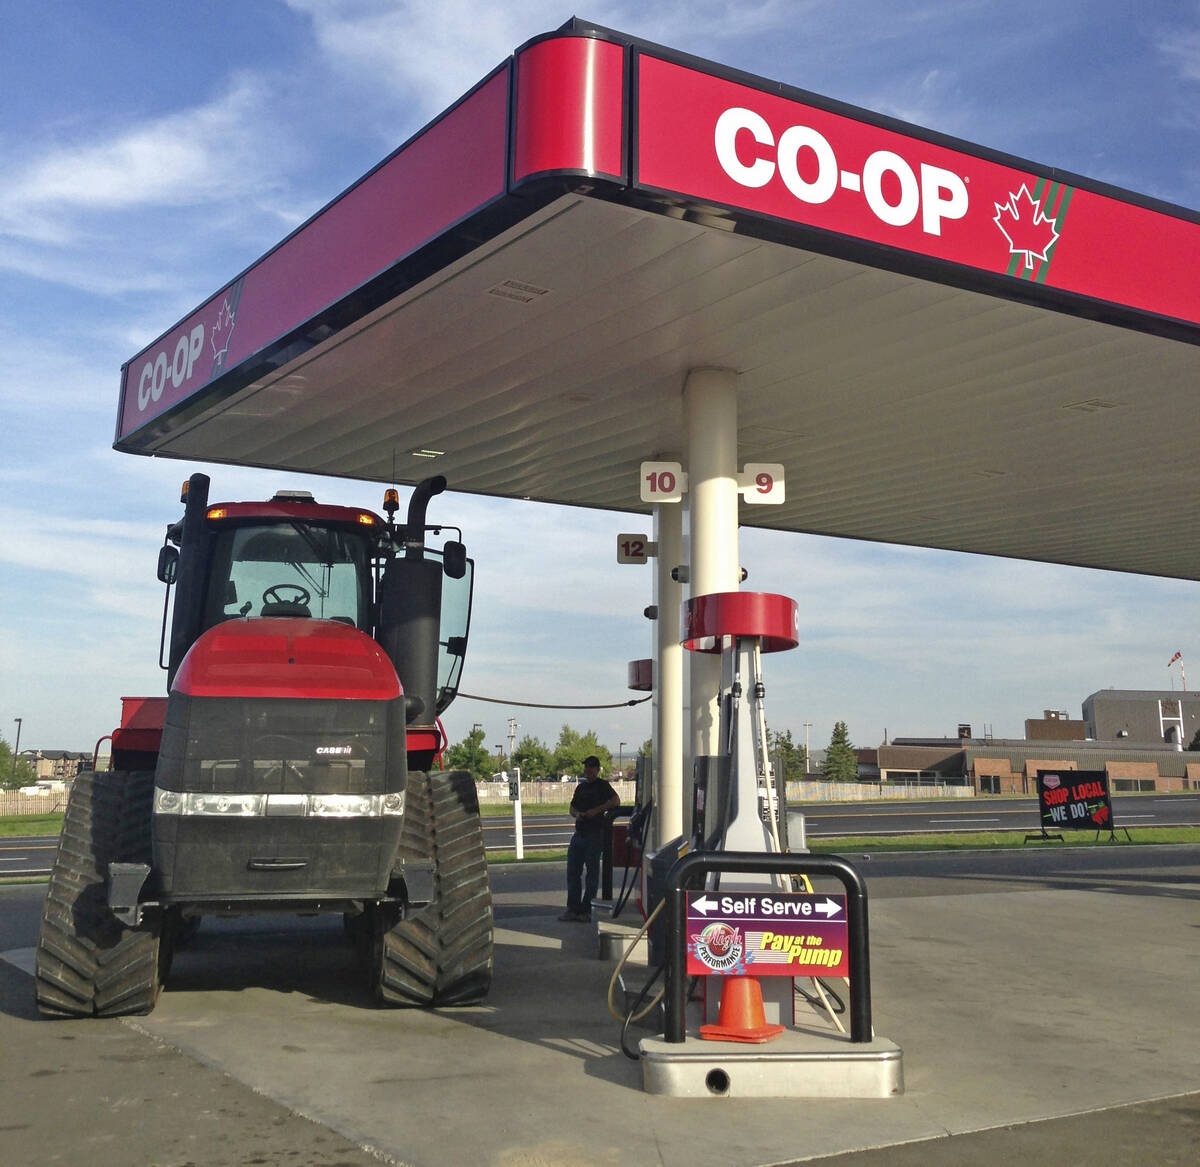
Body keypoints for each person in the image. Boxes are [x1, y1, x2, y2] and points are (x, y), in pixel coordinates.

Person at [559, 755, 620, 922]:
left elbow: (616, 801)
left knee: (592, 874)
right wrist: (577, 814)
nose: (588, 770)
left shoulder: (603, 786)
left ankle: (586, 911)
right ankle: (573, 909)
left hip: (595, 834)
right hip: (580, 833)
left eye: (592, 767)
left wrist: (597, 810)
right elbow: (572, 807)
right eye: (586, 767)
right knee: (573, 872)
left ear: (597, 769)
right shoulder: (581, 788)